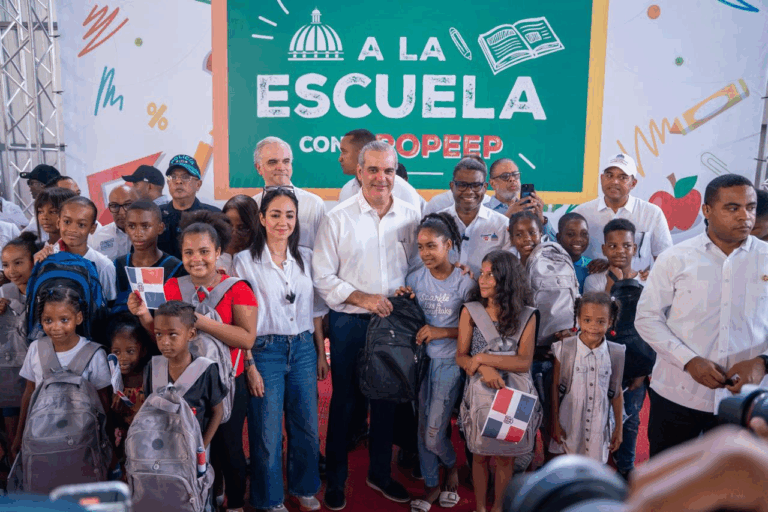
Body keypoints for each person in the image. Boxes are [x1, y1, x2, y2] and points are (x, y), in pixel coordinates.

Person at [313, 140, 421, 510]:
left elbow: (419, 265)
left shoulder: (412, 215)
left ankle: (380, 474)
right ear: (359, 172)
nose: (381, 178)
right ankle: (336, 480)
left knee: (387, 401)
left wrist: (411, 289)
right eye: (373, 170)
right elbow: (322, 276)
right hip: (350, 322)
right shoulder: (337, 217)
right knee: (345, 402)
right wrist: (364, 298)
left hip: (394, 323)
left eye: (388, 170)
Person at [130, 211, 258, 512]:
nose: (196, 259)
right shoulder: (173, 287)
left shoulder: (238, 288)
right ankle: (203, 497)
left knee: (228, 446)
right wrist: (144, 315)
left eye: (204, 251)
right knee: (187, 444)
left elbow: (247, 339)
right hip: (183, 383)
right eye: (188, 252)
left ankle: (235, 503)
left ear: (218, 252)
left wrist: (198, 320)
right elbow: (163, 336)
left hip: (226, 381)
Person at [635, 174, 768, 456]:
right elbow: (647, 318)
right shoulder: (675, 258)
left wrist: (763, 362)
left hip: (747, 401)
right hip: (678, 393)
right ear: (706, 210)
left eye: (750, 207)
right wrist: (688, 360)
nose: (745, 216)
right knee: (668, 474)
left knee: (736, 479)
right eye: (732, 207)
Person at [234, 188, 328, 512]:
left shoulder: (307, 257)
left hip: (303, 348)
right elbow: (240, 318)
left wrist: (319, 352)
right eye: (275, 214)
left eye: (289, 215)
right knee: (267, 432)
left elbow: (316, 311)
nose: (282, 222)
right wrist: (249, 364)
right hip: (264, 351)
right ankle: (270, 499)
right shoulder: (244, 262)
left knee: (307, 427)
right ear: (262, 218)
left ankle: (304, 487)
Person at [394, 213, 476, 512]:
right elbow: (410, 318)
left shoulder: (465, 281)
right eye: (421, 247)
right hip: (419, 363)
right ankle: (431, 484)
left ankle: (451, 465)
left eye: (432, 246)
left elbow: (476, 329)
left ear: (448, 245)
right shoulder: (415, 278)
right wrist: (403, 299)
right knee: (421, 428)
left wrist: (442, 332)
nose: (425, 253)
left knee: (433, 433)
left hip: (448, 363)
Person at [455, 251, 539, 512]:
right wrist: (482, 368)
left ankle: (499, 508)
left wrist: (483, 358)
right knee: (479, 454)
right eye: (482, 273)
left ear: (507, 279)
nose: (482, 279)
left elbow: (523, 362)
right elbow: (461, 356)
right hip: (480, 392)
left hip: (513, 393)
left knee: (505, 458)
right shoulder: (471, 311)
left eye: (491, 275)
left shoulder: (527, 315)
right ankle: (481, 507)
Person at [584, 219, 652, 477]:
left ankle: (626, 468)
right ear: (603, 249)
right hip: (601, 362)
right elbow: (599, 317)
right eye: (612, 246)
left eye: (626, 245)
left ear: (635, 248)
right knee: (598, 416)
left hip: (636, 365)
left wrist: (643, 370)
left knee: (631, 418)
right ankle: (598, 469)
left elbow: (650, 328)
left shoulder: (648, 282)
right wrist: (615, 283)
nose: (620, 251)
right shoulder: (594, 281)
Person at [10, 287, 112, 460]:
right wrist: (19, 435)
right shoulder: (36, 349)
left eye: (64, 320)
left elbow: (103, 402)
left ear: (78, 318)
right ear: (40, 321)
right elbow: (29, 393)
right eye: (48, 320)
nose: (56, 327)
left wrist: (106, 440)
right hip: (41, 438)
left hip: (83, 439)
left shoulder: (94, 354)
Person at [550, 292, 624, 463]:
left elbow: (617, 392)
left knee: (592, 469)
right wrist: (554, 422)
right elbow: (555, 387)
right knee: (566, 466)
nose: (593, 327)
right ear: (578, 319)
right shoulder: (565, 349)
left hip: (599, 426)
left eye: (601, 321)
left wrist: (619, 428)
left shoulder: (616, 353)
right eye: (587, 320)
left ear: (610, 322)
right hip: (570, 422)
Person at [143, 301, 226, 448]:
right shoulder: (153, 367)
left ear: (191, 334)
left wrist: (201, 447)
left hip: (193, 448)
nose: (164, 342)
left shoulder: (205, 369)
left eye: (173, 334)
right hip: (159, 449)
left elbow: (218, 412)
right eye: (159, 334)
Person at [572, 153, 672, 271]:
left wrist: (651, 275)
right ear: (601, 178)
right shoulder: (581, 213)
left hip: (637, 282)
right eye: (609, 175)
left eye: (623, 177)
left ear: (633, 183)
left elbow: (665, 259)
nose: (614, 181)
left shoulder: (651, 213)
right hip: (591, 281)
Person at [437, 157, 511, 277]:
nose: (469, 191)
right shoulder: (437, 222)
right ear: (452, 186)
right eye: (462, 185)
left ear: (485, 188)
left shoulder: (502, 225)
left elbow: (508, 271)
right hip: (443, 288)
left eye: (476, 185)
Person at [33, 197, 117, 301]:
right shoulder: (46, 258)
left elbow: (110, 303)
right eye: (67, 222)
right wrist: (37, 266)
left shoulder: (103, 266)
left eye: (81, 225)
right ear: (58, 222)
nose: (72, 229)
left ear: (92, 228)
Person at [0, 232, 38, 457]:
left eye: (18, 263)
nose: (11, 271)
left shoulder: (41, 289)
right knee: (11, 421)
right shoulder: (4, 292)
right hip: (9, 368)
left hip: (34, 368)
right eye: (5, 265)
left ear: (33, 261)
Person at [251, 137, 326, 249]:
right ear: (258, 168)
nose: (281, 168)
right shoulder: (252, 205)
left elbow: (324, 248)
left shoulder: (314, 204)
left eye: (286, 161)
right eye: (273, 162)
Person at [113, 201, 185, 313]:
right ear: (126, 228)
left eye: (145, 226)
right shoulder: (118, 265)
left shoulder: (176, 268)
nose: (138, 233)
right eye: (132, 226)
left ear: (160, 228)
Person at [107, 312, 155, 479]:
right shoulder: (114, 381)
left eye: (130, 351)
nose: (122, 358)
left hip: (148, 441)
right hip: (125, 443)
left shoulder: (149, 377)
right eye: (116, 352)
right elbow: (113, 420)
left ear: (142, 351)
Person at [337, 129, 424, 213]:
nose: (340, 158)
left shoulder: (403, 191)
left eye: (344, 152)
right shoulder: (347, 191)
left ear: (360, 154)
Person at [157, 154, 221, 259]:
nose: (178, 181)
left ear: (198, 184)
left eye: (185, 177)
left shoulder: (214, 216)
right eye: (173, 177)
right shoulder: (156, 214)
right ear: (168, 183)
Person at [485, 158, 556, 239]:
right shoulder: (483, 211)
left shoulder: (530, 209)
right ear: (492, 183)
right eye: (505, 176)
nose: (512, 179)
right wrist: (506, 218)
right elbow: (481, 241)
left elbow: (555, 245)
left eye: (515, 175)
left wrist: (542, 221)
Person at [89, 184, 139, 259]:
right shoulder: (98, 238)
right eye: (115, 206)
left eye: (128, 205)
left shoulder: (151, 232)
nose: (121, 212)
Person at [220, 194, 260, 275]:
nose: (233, 233)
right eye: (228, 225)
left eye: (242, 228)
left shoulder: (261, 261)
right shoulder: (211, 256)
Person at [556, 213, 591, 293]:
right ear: (558, 237)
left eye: (584, 234)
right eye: (571, 234)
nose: (578, 239)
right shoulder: (550, 266)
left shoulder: (593, 266)